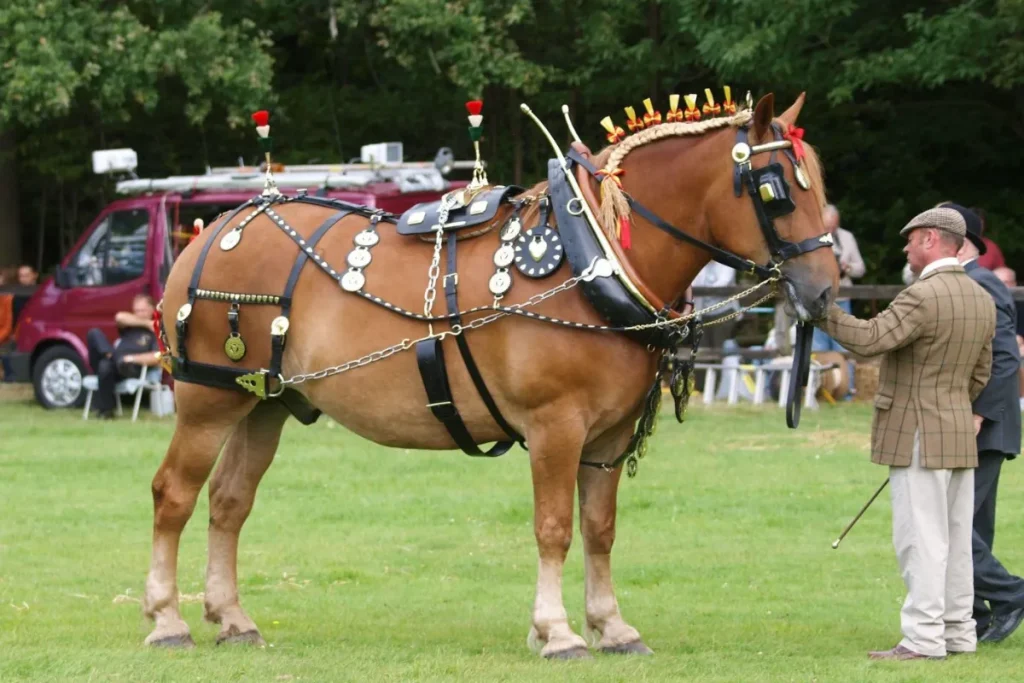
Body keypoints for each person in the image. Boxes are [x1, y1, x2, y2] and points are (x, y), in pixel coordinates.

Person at [817, 204, 996, 660]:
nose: (906, 247)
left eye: (911, 239)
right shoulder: (981, 296)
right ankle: (958, 633)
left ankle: (922, 639)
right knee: (955, 540)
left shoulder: (923, 294)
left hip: (917, 431)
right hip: (958, 430)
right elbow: (982, 374)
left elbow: (871, 338)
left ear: (932, 240)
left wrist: (822, 312)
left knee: (921, 540)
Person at [955, 211, 1024, 643]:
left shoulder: (980, 282)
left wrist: (979, 414)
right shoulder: (968, 282)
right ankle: (976, 615)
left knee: (957, 528)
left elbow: (1006, 357)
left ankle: (1013, 595)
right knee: (971, 527)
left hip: (984, 425)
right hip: (976, 424)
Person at [812, 205, 863, 394]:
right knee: (818, 347)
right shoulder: (812, 237)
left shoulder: (847, 238)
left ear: (837, 223)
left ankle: (847, 390)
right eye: (827, 227)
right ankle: (818, 390)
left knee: (843, 346)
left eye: (833, 227)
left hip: (842, 301)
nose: (830, 231)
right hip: (818, 301)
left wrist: (847, 267)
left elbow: (861, 268)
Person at [85, 293, 161, 419]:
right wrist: (147, 323)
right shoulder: (132, 325)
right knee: (94, 334)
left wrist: (132, 358)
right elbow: (119, 317)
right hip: (114, 362)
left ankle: (104, 411)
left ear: (152, 310)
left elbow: (157, 357)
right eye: (136, 310)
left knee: (106, 365)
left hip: (130, 366)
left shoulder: (156, 332)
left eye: (142, 310)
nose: (138, 313)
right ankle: (106, 412)